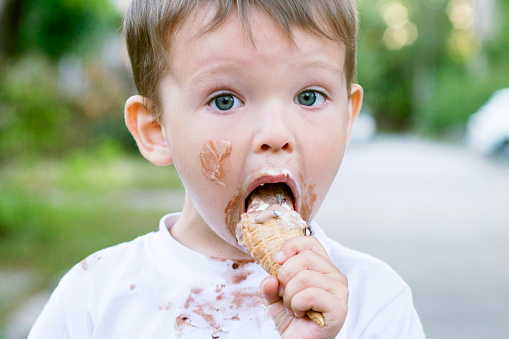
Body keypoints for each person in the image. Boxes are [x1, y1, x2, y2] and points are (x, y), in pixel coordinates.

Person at [29, 0, 425, 338]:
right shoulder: (94, 301)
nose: (275, 134)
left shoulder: (374, 303)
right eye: (224, 100)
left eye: (309, 96)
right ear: (156, 129)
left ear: (347, 120)